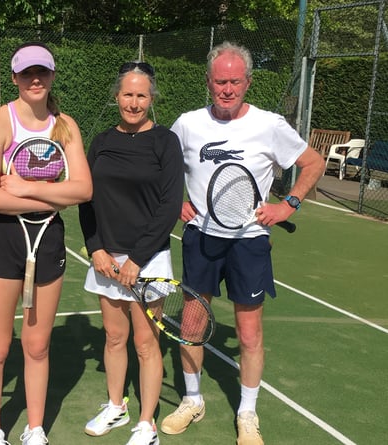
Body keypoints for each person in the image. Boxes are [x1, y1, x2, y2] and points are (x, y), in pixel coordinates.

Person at [161, 41, 325, 445]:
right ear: (208, 82)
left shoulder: (269, 125)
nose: (227, 89)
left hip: (249, 243)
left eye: (235, 81)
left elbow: (313, 162)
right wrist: (174, 202)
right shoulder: (187, 123)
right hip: (200, 237)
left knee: (249, 334)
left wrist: (288, 205)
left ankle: (247, 413)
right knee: (192, 325)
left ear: (247, 82)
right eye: (220, 82)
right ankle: (193, 400)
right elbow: (160, 164)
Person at [0, 42, 92, 445]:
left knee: (38, 344)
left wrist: (26, 187)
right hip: (2, 239)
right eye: (27, 73)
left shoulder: (66, 126)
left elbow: (84, 189)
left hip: (48, 238)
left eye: (42, 71)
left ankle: (35, 428)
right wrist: (54, 191)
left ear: (53, 75)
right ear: (15, 79)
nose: (35, 79)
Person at [79, 61, 184, 445]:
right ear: (117, 96)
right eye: (128, 94)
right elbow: (87, 199)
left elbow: (170, 204)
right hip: (107, 259)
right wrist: (97, 250)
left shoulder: (165, 142)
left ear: (151, 98)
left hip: (148, 259)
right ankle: (116, 406)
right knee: (113, 338)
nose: (134, 102)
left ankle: (147, 424)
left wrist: (137, 260)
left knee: (145, 342)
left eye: (141, 95)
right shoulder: (102, 142)